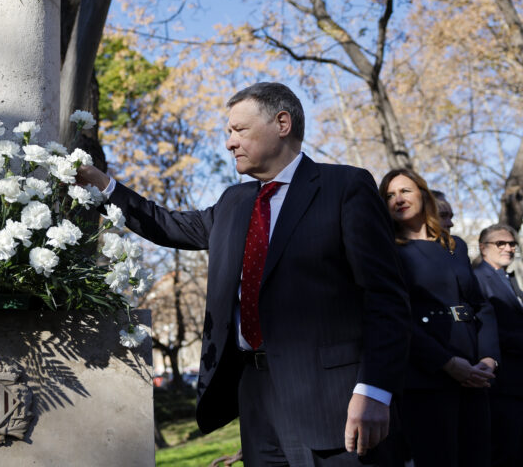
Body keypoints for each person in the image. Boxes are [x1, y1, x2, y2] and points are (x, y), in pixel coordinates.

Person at [78, 82, 411, 466]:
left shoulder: (345, 187)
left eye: (239, 130)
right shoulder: (234, 202)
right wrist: (103, 185)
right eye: (228, 132)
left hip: (334, 405)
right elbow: (165, 224)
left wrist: (374, 390)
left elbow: (386, 298)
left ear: (282, 123)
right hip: (257, 403)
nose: (229, 142)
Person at [378, 169, 500, 467]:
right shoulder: (387, 252)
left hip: (473, 373)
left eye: (405, 191)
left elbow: (481, 306)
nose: (399, 199)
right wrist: (445, 363)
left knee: (478, 456)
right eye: (390, 195)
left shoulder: (453, 245)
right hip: (427, 374)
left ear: (423, 193)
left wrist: (488, 359)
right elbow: (396, 318)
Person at [474, 224, 523, 467]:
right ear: (483, 248)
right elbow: (485, 327)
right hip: (501, 383)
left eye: (512, 243)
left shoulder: (507, 278)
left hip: (516, 382)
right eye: (500, 243)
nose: (508, 248)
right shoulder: (478, 278)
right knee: (505, 451)